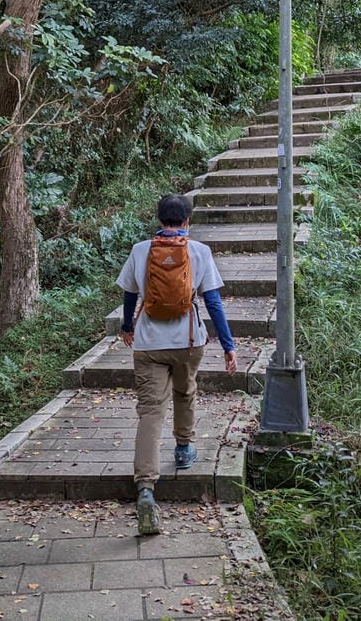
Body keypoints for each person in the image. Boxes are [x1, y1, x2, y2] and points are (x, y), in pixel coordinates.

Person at [117, 193, 237, 536]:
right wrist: (228, 346)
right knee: (186, 392)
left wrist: (127, 327)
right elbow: (213, 303)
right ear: (187, 221)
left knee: (150, 411)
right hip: (188, 342)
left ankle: (145, 488)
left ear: (158, 219)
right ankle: (184, 448)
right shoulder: (199, 252)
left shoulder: (142, 250)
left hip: (148, 344)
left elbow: (128, 295)